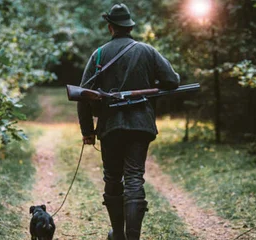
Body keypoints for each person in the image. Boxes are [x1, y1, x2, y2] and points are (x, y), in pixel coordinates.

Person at [77, 3, 180, 240]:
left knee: (113, 178)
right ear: (129, 27)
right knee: (134, 177)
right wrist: (154, 85)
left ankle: (119, 236)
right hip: (140, 126)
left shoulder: (99, 54)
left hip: (110, 127)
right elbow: (172, 81)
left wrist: (88, 131)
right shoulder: (147, 51)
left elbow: (82, 95)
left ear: (110, 27)